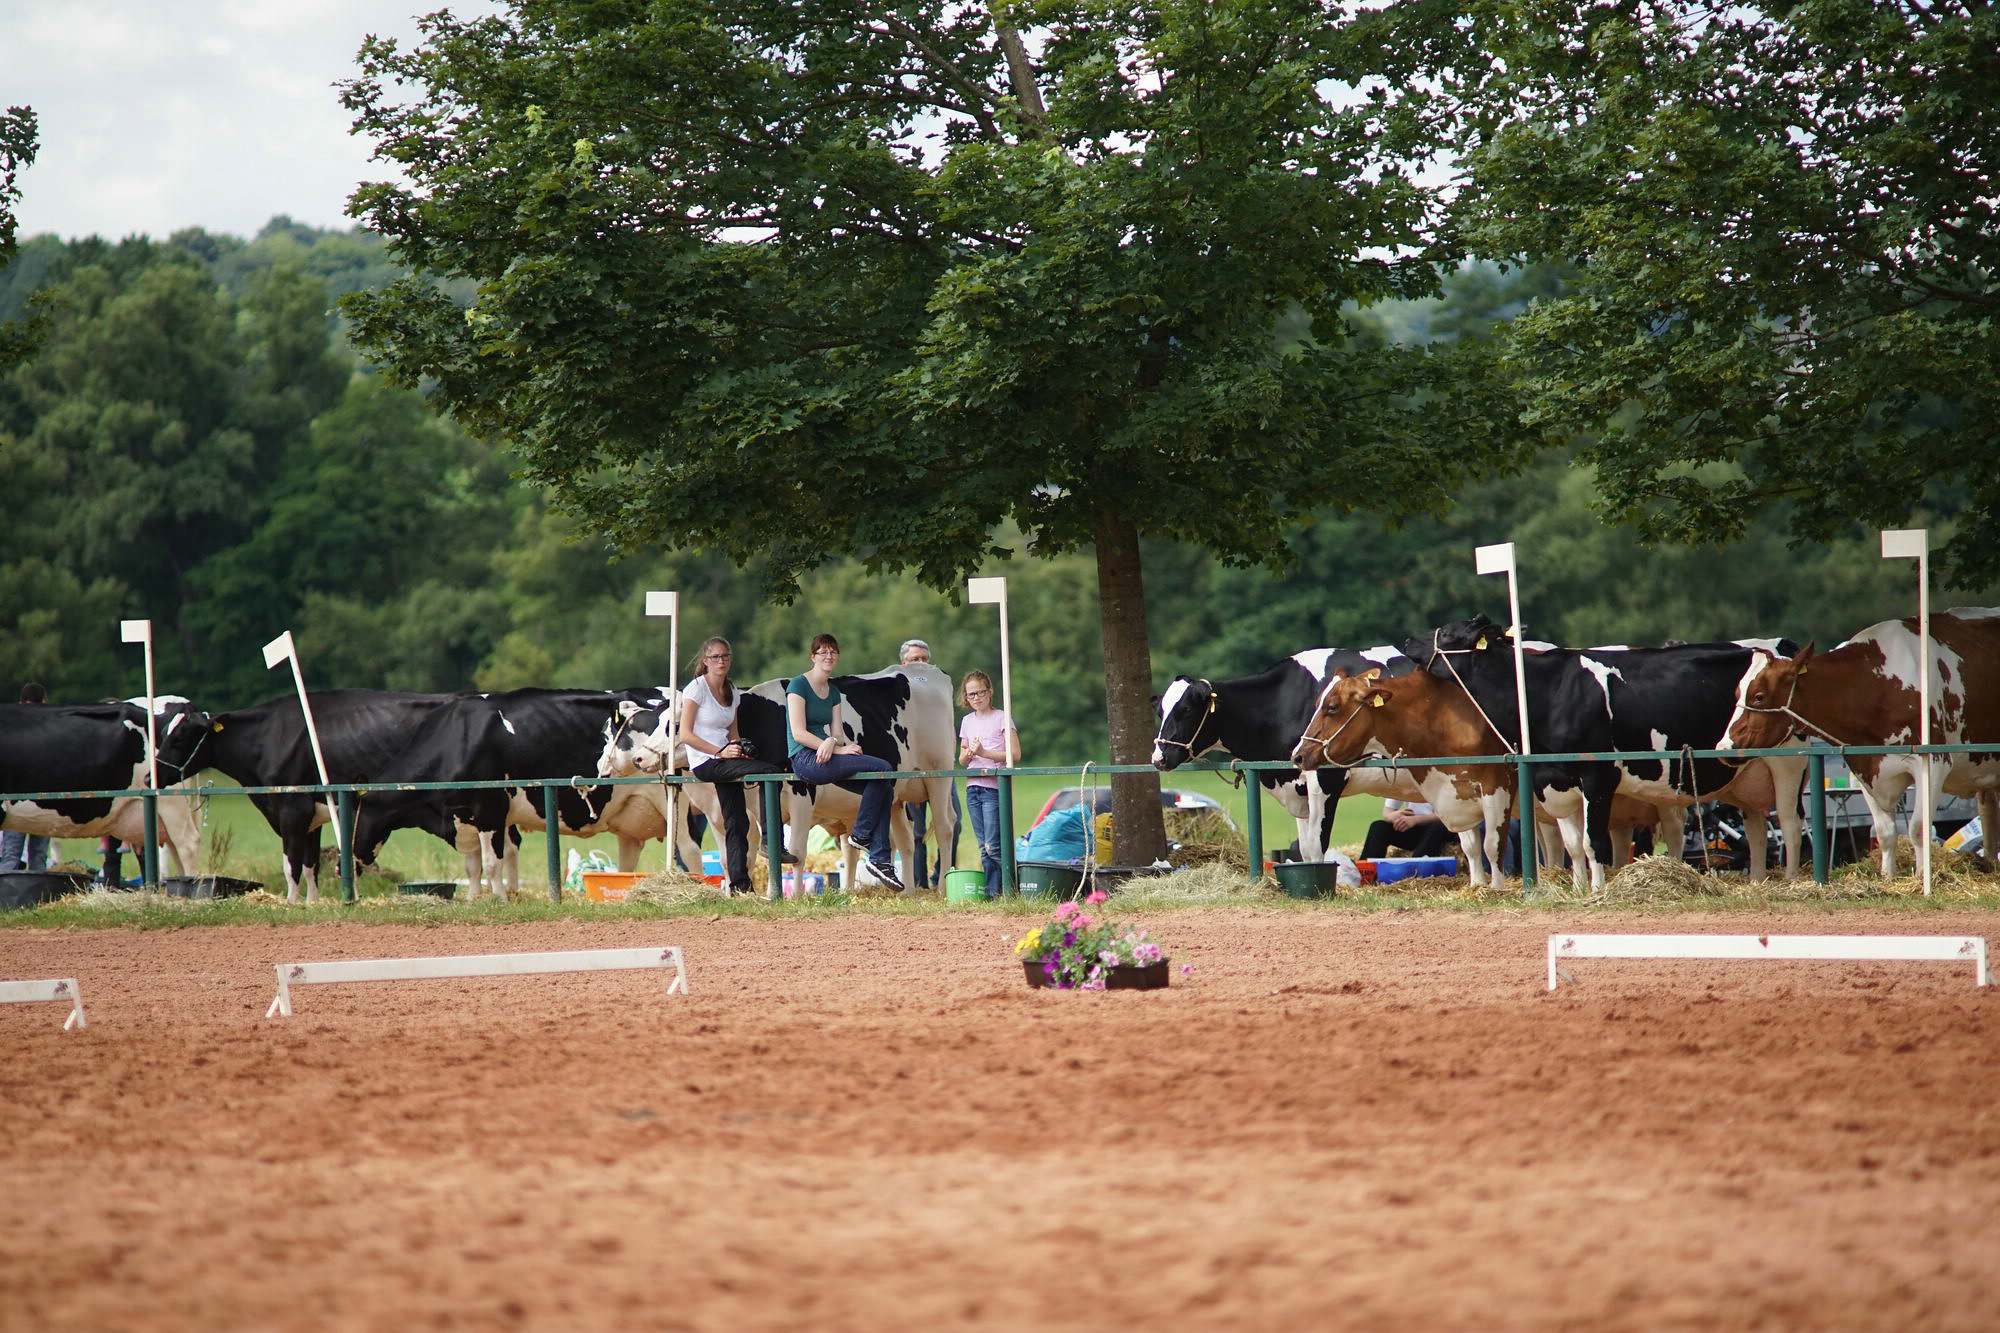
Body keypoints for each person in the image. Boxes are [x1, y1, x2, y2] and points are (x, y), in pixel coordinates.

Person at [787, 634, 904, 892]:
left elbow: (838, 733)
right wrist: (828, 745)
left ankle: (880, 860)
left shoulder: (834, 692)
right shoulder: (798, 686)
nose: (829, 656)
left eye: (833, 652)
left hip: (828, 754)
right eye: (823, 652)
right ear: (813, 657)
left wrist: (839, 745)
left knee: (883, 781)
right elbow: (798, 732)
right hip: (806, 758)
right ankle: (861, 836)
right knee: (882, 769)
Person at [678, 638, 787, 897]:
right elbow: (685, 734)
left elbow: (732, 730)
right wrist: (720, 751)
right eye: (715, 657)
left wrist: (739, 747)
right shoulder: (696, 690)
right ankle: (771, 839)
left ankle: (740, 885)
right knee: (770, 773)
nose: (721, 661)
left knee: (736, 821)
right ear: (705, 661)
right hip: (706, 762)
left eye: (725, 656)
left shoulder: (731, 690)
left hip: (728, 758)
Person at [957, 670, 1019, 899]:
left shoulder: (1002, 717)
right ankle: (993, 893)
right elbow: (962, 759)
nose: (976, 698)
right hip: (973, 786)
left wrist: (984, 752)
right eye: (971, 694)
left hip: (993, 787)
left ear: (990, 692)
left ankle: (1012, 884)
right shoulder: (966, 721)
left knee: (994, 845)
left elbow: (1014, 754)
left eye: (980, 692)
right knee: (984, 846)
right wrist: (970, 754)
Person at [1, 683, 53, 874]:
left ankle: (6, 898)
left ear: (20, 702)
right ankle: (37, 898)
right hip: (44, 801)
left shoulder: (10, 730)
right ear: (45, 701)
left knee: (10, 856)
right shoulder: (53, 731)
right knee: (39, 857)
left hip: (16, 801)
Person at [1360, 798, 1452, 861]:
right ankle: (1367, 872)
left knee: (1438, 826)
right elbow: (1387, 812)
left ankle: (1416, 872)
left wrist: (1415, 820)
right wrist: (1394, 816)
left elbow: (1448, 814)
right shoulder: (1404, 778)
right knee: (1378, 827)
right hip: (1413, 828)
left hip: (1442, 829)